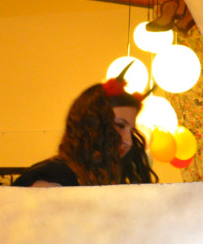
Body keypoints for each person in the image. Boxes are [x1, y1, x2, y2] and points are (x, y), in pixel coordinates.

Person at [13, 72, 158, 187]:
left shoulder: (108, 182)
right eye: (120, 125)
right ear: (91, 124)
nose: (128, 142)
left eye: (132, 132)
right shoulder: (51, 178)